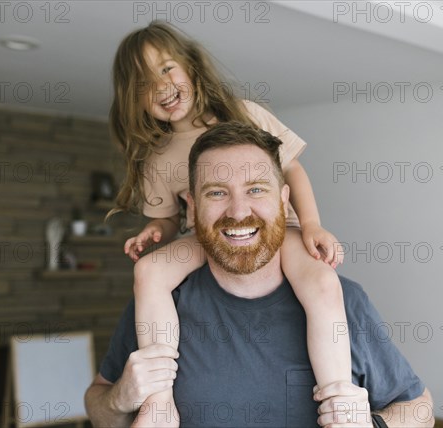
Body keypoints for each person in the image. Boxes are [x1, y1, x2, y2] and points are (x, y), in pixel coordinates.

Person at [85, 122, 434, 427]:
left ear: (284, 200)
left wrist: (372, 426)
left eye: (255, 189)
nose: (238, 211)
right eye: (217, 193)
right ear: (192, 206)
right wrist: (120, 398)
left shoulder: (344, 302)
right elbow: (97, 404)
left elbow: (420, 409)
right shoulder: (161, 300)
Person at [106, 21, 349, 426]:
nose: (162, 86)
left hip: (277, 231)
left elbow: (294, 173)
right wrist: (155, 232)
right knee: (148, 271)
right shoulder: (157, 156)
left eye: (166, 69)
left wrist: (311, 225)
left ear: (191, 68)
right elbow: (166, 218)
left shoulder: (243, 112)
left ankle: (339, 400)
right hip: (204, 238)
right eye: (145, 83)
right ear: (134, 101)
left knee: (323, 282)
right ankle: (160, 400)